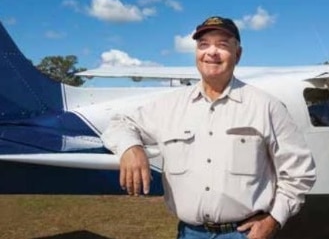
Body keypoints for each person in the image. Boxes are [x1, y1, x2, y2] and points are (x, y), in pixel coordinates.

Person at [101, 16, 316, 239]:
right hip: (189, 232)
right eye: (203, 45)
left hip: (244, 233)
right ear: (196, 53)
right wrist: (132, 148)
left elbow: (299, 173)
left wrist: (274, 219)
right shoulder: (168, 106)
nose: (211, 52)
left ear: (238, 54)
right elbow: (120, 123)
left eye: (222, 45)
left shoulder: (267, 106)